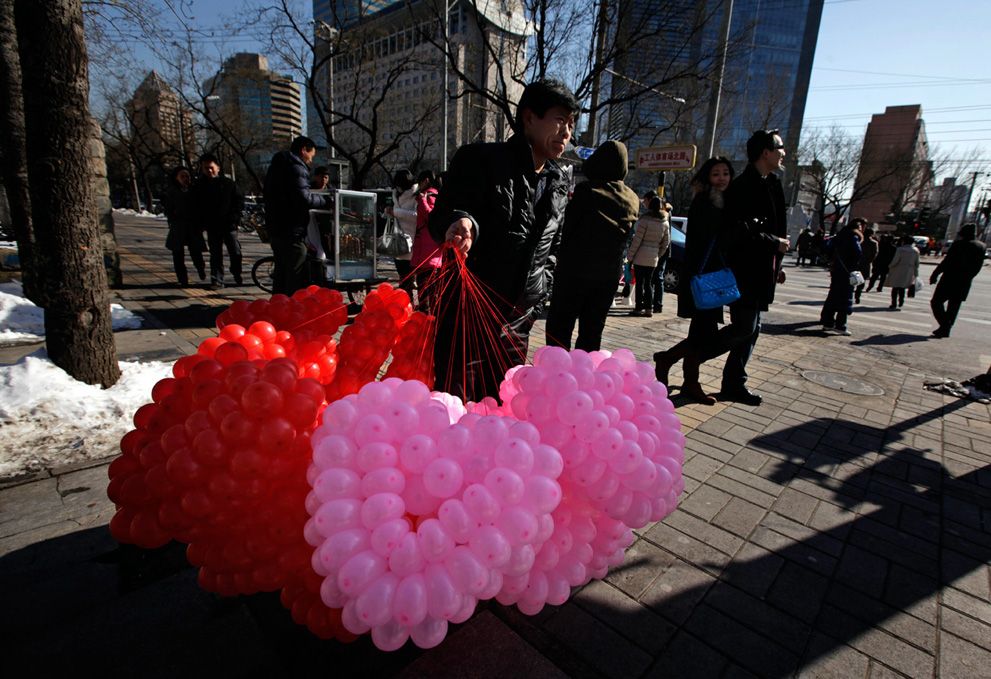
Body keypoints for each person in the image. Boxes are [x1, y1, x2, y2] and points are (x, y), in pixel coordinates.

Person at [428, 78, 580, 401]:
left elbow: (552, 249)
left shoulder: (557, 182)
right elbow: (445, 212)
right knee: (456, 407)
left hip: (517, 325)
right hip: (468, 317)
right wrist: (461, 221)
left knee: (502, 409)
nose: (567, 132)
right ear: (529, 118)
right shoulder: (480, 159)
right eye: (558, 119)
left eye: (571, 123)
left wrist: (538, 296)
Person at [695, 129, 791, 406]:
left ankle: (734, 383)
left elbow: (775, 229)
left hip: (764, 270)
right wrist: (774, 244)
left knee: (753, 328)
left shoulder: (773, 183)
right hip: (745, 271)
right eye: (779, 147)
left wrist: (777, 264)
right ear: (765, 152)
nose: (783, 152)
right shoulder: (743, 187)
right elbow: (736, 232)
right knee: (745, 327)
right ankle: (691, 355)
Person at [653, 156, 735, 404]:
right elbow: (705, 241)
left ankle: (679, 370)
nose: (721, 178)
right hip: (703, 277)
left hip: (710, 277)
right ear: (707, 178)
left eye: (725, 173)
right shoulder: (705, 202)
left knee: (702, 333)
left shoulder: (722, 202)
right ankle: (675, 366)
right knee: (703, 332)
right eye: (716, 174)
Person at [545, 140, 639, 350]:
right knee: (592, 331)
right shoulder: (632, 198)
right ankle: (584, 376)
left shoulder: (587, 191)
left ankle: (557, 374)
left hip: (574, 272)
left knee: (559, 329)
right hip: (608, 276)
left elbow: (567, 231)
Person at [262, 136, 332, 295]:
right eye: (311, 156)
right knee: (295, 274)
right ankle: (291, 309)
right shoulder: (296, 167)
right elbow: (304, 198)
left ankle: (277, 307)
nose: (311, 161)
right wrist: (327, 201)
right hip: (292, 229)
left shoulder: (277, 166)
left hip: (276, 228)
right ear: (303, 150)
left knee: (281, 272)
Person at [191, 153, 243, 289]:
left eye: (211, 167)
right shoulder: (199, 186)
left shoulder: (228, 184)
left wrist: (235, 218)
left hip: (229, 225)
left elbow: (238, 202)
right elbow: (196, 206)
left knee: (235, 251)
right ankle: (217, 279)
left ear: (218, 168)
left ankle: (237, 272)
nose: (209, 170)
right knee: (215, 254)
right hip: (212, 226)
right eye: (205, 168)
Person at [929, 223, 986, 337]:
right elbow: (978, 267)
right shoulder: (981, 246)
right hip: (965, 281)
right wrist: (968, 277)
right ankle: (946, 328)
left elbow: (947, 262)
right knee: (954, 306)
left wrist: (935, 274)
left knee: (936, 302)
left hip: (949, 279)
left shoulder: (959, 244)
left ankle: (945, 325)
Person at [161, 166, 205, 287]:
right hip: (178, 226)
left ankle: (201, 269)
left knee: (196, 252)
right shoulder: (171, 192)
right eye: (182, 176)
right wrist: (173, 219)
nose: (186, 179)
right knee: (177, 254)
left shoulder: (194, 190)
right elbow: (168, 209)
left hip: (193, 226)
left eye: (187, 176)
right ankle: (182, 278)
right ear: (176, 178)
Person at [626, 198, 670, 317]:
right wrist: (658, 254)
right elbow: (666, 243)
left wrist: (630, 257)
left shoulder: (645, 220)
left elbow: (637, 240)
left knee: (640, 283)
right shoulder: (664, 222)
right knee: (649, 283)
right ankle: (648, 309)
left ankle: (638, 308)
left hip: (640, 255)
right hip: (653, 257)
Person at [819, 219, 863, 336]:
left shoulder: (838, 236)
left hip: (836, 270)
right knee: (845, 298)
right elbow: (857, 253)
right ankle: (840, 325)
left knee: (833, 296)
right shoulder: (853, 237)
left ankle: (828, 322)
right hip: (847, 272)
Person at [410, 169, 441, 308]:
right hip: (425, 247)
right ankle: (425, 315)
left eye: (420, 182)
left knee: (428, 287)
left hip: (429, 250)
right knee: (425, 286)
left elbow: (431, 217)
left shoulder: (431, 195)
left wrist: (422, 200)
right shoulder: (429, 195)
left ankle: (428, 318)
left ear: (426, 181)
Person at [385, 169, 418, 297]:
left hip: (411, 242)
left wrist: (396, 212)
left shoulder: (417, 195)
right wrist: (389, 212)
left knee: (411, 280)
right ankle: (404, 306)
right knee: (403, 279)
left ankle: (414, 307)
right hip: (397, 242)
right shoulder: (396, 194)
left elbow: (417, 216)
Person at [885, 234, 920, 310]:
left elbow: (896, 260)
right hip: (909, 270)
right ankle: (901, 300)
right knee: (902, 287)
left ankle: (893, 303)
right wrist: (915, 273)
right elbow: (917, 263)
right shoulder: (916, 250)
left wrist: (890, 266)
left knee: (895, 287)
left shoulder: (900, 249)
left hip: (898, 269)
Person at [854, 224, 877, 304]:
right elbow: (874, 255)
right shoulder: (873, 243)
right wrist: (870, 262)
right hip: (865, 264)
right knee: (861, 282)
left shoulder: (859, 241)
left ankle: (851, 294)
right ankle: (858, 295)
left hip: (856, 263)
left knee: (853, 280)